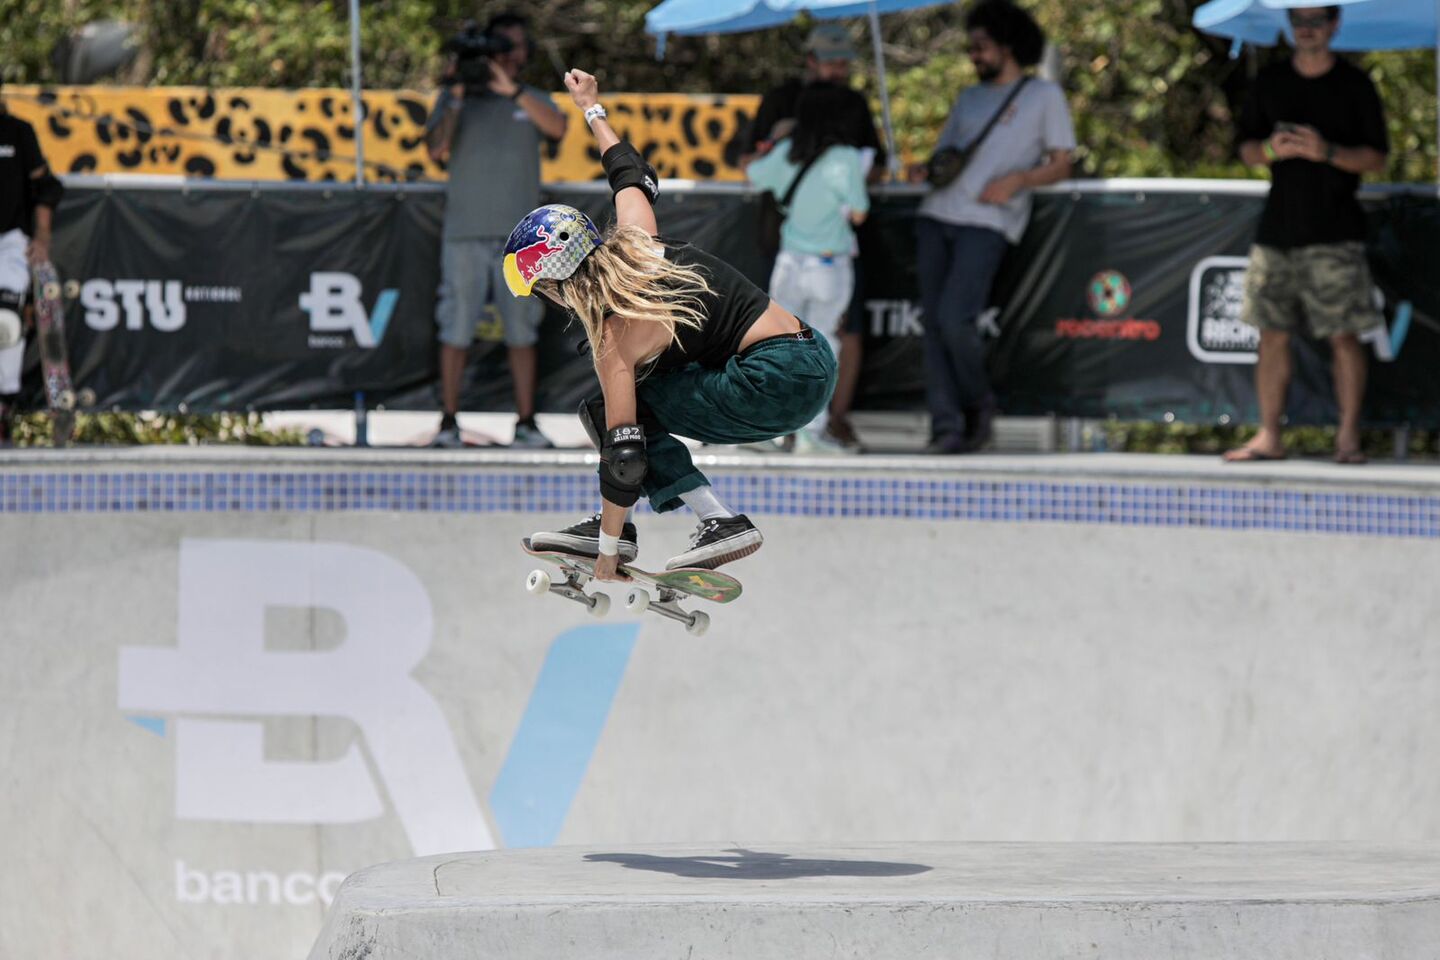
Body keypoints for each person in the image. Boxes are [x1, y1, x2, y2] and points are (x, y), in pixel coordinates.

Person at [520, 68, 837, 578]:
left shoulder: (614, 335)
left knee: (611, 413)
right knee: (645, 392)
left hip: (772, 381)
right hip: (813, 356)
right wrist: (591, 108)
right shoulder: (637, 239)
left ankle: (714, 520)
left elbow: (624, 455)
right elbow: (629, 172)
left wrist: (605, 554)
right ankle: (642, 526)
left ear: (556, 284)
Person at [1223, 5, 1388, 466]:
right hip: (1277, 231)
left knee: (1344, 336)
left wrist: (1326, 151)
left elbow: (1376, 159)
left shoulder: (1354, 86)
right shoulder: (1270, 83)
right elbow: (1246, 150)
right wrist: (1273, 149)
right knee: (1270, 334)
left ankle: (1348, 438)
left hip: (1335, 232)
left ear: (1335, 25)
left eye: (1316, 21)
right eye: (1298, 21)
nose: (1307, 30)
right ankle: (1269, 434)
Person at [911, 0, 1074, 453]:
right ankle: (946, 426)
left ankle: (977, 403)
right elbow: (945, 156)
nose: (974, 55)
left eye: (982, 46)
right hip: (936, 214)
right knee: (934, 326)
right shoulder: (968, 97)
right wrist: (924, 172)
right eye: (972, 46)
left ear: (1009, 46)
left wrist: (1019, 180)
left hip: (988, 222)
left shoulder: (1044, 96)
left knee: (955, 320)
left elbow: (1063, 163)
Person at [425, 13, 567, 448]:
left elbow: (558, 127)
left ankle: (525, 422)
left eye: (515, 45)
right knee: (456, 327)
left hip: (521, 241)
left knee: (522, 329)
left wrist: (513, 90)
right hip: (464, 231)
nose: (509, 53)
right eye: (501, 45)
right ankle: (448, 423)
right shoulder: (456, 99)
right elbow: (436, 149)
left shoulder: (532, 98)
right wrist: (455, 92)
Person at [743, 23, 885, 450]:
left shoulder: (789, 151)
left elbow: (751, 172)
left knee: (776, 345)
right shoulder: (843, 158)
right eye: (833, 60)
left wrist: (782, 144)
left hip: (789, 260)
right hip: (828, 262)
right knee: (823, 349)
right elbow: (859, 210)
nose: (841, 69)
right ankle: (811, 432)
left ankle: (766, 427)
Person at [0, 88, 63, 445]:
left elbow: (46, 188)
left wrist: (42, 238)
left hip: (10, 241)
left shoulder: (17, 132)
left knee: (6, 322)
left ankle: (4, 405)